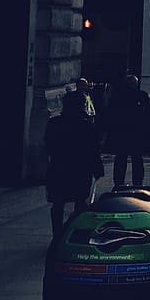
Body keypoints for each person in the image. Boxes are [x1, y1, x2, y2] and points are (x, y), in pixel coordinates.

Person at [45, 91, 104, 238]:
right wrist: (97, 168)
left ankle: (57, 234)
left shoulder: (54, 123)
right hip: (80, 169)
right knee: (80, 202)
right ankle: (78, 233)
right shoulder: (86, 126)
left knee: (58, 203)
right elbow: (93, 150)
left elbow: (48, 144)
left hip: (59, 168)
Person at [101, 72, 150, 188]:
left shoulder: (118, 95)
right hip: (137, 132)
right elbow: (148, 113)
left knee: (121, 158)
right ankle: (137, 183)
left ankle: (119, 183)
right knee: (137, 159)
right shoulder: (141, 95)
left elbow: (110, 113)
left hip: (122, 132)